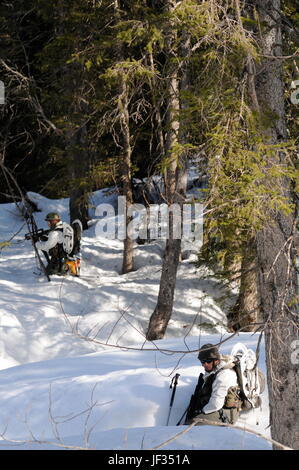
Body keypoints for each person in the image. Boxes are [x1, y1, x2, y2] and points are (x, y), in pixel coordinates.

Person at [184, 343, 241, 426]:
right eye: (202, 361)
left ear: (216, 360)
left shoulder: (224, 375)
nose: (204, 364)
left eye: (208, 361)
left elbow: (216, 404)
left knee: (191, 426)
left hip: (226, 414)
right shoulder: (214, 370)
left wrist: (202, 411)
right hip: (217, 410)